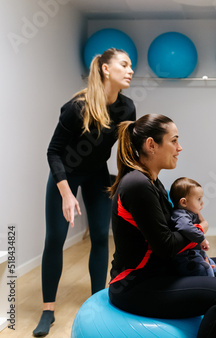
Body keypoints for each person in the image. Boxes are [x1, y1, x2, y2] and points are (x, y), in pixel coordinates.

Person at [108, 114, 216, 338]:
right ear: (152, 145)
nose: (179, 148)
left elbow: (173, 228)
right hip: (134, 285)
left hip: (159, 271)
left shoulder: (152, 181)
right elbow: (166, 246)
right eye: (174, 141)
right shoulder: (137, 184)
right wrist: (200, 230)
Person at [34, 48, 136, 337]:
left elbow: (126, 151)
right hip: (64, 175)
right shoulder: (76, 107)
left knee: (102, 236)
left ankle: (98, 301)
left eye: (131, 66)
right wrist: (66, 193)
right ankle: (47, 310)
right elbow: (53, 152)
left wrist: (126, 183)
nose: (130, 70)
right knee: (55, 238)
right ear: (106, 69)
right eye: (125, 65)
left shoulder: (127, 108)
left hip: (97, 175)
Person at [169, 177, 216, 278]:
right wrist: (202, 239)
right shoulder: (180, 215)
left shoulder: (190, 213)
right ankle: (211, 287)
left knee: (213, 266)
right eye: (198, 199)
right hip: (185, 256)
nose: (202, 203)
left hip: (195, 252)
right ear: (184, 202)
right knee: (205, 268)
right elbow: (186, 228)